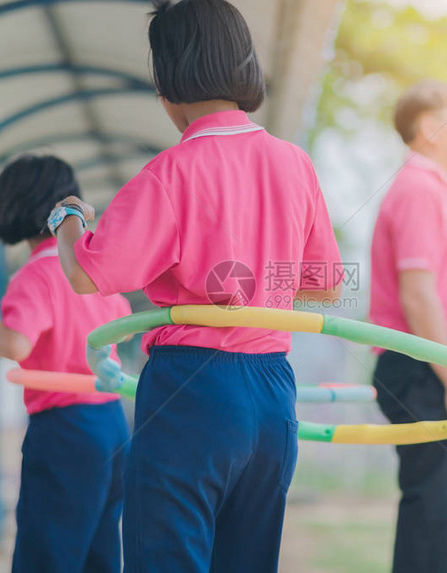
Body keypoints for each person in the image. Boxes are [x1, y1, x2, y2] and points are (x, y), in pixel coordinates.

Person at [48, 1, 342, 572]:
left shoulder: (173, 171)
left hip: (192, 392)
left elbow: (87, 273)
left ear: (167, 83)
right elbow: (326, 287)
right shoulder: (294, 163)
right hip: (273, 394)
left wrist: (68, 223)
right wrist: (256, 292)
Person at [0, 155, 131, 573]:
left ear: (16, 206)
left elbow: (17, 344)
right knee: (99, 552)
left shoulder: (36, 274)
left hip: (64, 428)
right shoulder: (91, 270)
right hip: (111, 424)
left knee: (48, 552)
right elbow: (123, 327)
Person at [369, 80, 447, 573]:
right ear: (427, 129)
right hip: (425, 366)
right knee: (434, 516)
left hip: (439, 363)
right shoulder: (418, 186)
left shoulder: (436, 187)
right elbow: (417, 294)